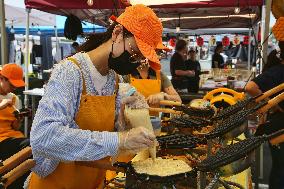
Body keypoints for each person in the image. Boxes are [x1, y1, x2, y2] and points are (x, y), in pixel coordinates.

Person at [27, 5, 162, 189]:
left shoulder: (113, 80)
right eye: (135, 52)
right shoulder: (70, 73)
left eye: (141, 59)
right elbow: (43, 137)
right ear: (117, 33)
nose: (136, 62)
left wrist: (130, 123)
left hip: (92, 182)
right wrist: (121, 139)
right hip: (56, 183)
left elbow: (108, 134)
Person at [245, 41, 284, 189]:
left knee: (280, 168)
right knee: (281, 169)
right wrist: (272, 105)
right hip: (279, 127)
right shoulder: (279, 71)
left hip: (276, 125)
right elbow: (250, 87)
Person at [0, 64, 29, 189]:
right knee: (29, 148)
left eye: (15, 86)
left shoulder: (14, 98)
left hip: (13, 137)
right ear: (2, 78)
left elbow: (15, 128)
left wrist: (18, 122)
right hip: (2, 139)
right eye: (11, 85)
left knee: (33, 148)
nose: (12, 89)